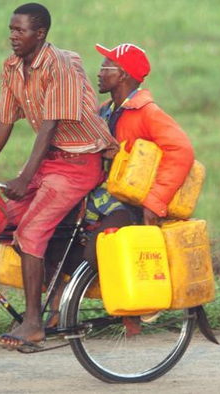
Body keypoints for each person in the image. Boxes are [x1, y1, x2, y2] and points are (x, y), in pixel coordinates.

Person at [0, 3, 116, 350]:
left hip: (78, 162)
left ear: (40, 34)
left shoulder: (58, 64)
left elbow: (49, 125)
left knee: (31, 231)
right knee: (2, 216)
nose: (13, 37)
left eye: (20, 31)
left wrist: (26, 177)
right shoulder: (12, 67)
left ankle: (33, 324)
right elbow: (5, 121)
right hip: (51, 161)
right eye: (11, 30)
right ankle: (52, 295)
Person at [82, 42, 195, 268]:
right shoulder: (106, 110)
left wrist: (155, 202)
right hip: (101, 198)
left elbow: (181, 150)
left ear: (122, 74)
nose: (98, 72)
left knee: (95, 255)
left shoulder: (146, 112)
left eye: (106, 68)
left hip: (129, 204)